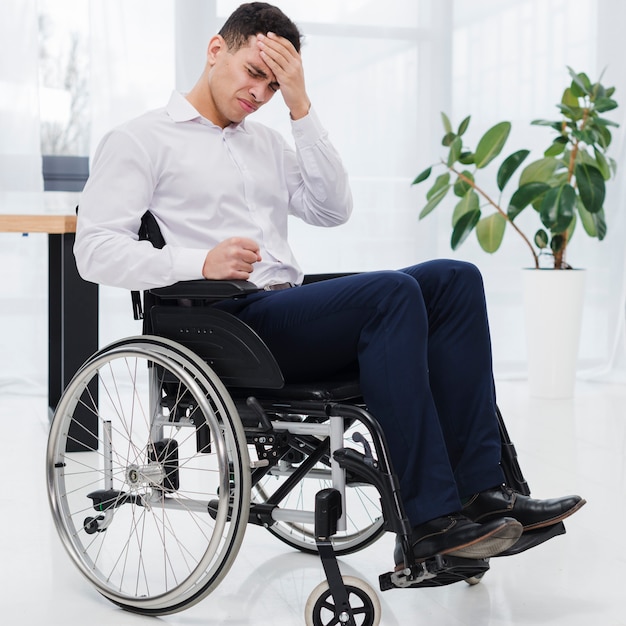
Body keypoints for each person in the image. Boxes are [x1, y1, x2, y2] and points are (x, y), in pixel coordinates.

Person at [75, 2, 585, 568]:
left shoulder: (266, 144)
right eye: (254, 74)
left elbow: (332, 208)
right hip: (224, 323)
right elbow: (93, 252)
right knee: (392, 293)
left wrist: (300, 105)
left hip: (285, 308)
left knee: (453, 280)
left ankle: (484, 494)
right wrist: (198, 260)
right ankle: (428, 522)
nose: (260, 93)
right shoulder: (142, 139)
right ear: (216, 49)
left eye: (273, 84)